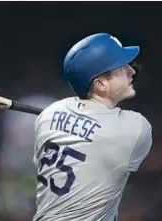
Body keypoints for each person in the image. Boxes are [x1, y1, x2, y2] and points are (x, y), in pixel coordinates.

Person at [32, 33, 153, 221]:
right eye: (121, 67)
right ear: (100, 84)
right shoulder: (135, 128)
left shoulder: (49, 114)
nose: (132, 71)